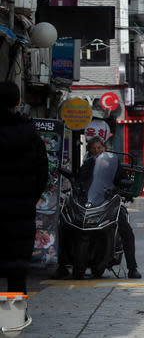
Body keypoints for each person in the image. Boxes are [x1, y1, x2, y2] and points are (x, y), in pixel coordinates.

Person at [54, 137, 142, 279]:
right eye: (94, 148)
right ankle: (62, 265)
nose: (97, 150)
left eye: (99, 148)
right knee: (64, 223)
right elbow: (79, 181)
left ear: (104, 148)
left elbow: (122, 179)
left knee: (125, 228)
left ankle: (132, 267)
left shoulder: (113, 164)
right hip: (87, 204)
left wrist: (121, 186)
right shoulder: (87, 164)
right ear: (89, 150)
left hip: (107, 202)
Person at [0, 81, 48, 293]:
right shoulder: (31, 136)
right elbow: (42, 174)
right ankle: (16, 317)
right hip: (22, 213)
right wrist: (29, 198)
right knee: (17, 270)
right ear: (18, 101)